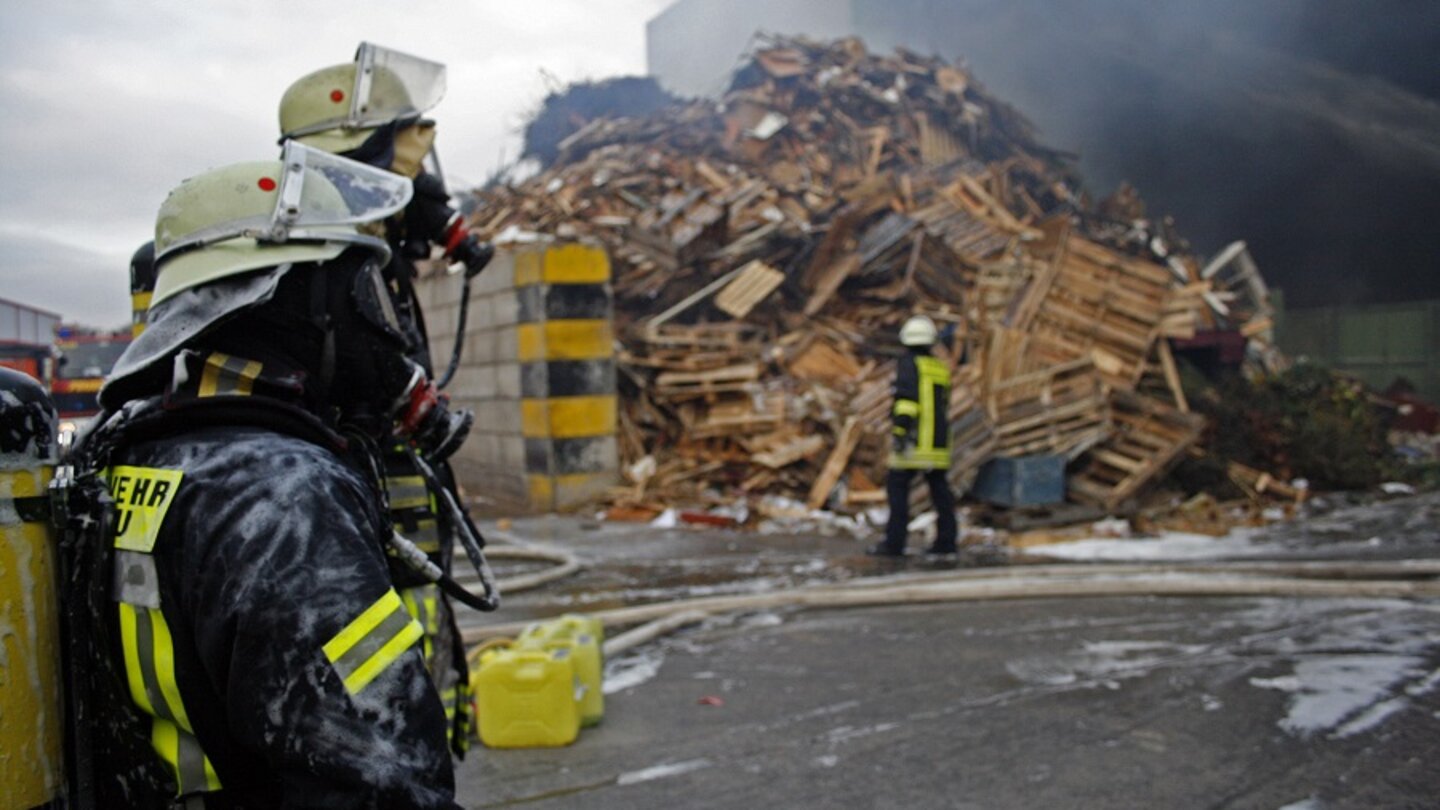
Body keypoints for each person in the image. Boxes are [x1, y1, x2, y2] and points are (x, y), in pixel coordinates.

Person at [65, 144, 461, 808]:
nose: (373, 327)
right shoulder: (282, 499)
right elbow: (379, 782)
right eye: (356, 290)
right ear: (296, 298)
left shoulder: (117, 453)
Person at [278, 42, 493, 753]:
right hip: (363, 491)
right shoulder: (317, 259)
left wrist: (442, 224)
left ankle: (423, 752)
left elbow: (416, 203)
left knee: (423, 639)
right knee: (387, 670)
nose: (418, 157)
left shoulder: (370, 251)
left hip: (395, 486)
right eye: (401, 139)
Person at [869, 314, 959, 557]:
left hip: (914, 442)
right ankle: (947, 542)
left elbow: (906, 402)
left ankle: (894, 543)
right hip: (938, 444)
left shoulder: (908, 365)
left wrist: (899, 431)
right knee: (940, 492)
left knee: (897, 491)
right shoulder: (938, 367)